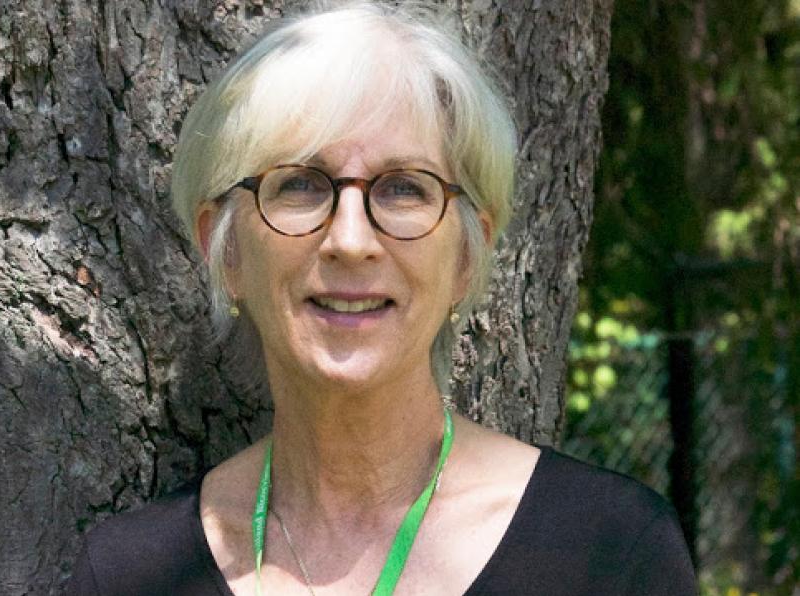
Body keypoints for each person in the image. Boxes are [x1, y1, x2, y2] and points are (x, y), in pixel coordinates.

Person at [64, 2, 697, 594]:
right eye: (301, 185)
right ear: (225, 252)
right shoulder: (127, 575)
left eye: (402, 189)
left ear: (468, 255)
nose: (350, 240)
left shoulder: (610, 556)